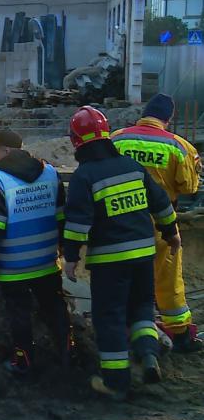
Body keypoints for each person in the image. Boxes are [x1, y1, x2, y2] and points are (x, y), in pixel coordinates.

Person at [63, 106, 181, 400]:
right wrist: (171, 232)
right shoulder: (131, 166)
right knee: (141, 308)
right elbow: (161, 204)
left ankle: (116, 382)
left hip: (109, 260)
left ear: (76, 140)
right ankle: (148, 355)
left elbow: (78, 223)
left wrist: (71, 257)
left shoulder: (84, 176)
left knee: (110, 317)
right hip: (143, 253)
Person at [0, 130, 72, 376]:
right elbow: (61, 217)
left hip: (13, 265)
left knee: (19, 314)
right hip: (47, 261)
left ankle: (24, 361)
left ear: (6, 150)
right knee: (55, 307)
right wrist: (63, 249)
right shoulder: (50, 173)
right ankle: (69, 353)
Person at [111, 93, 203, 352]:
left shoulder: (117, 138)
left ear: (144, 113)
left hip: (120, 220)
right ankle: (180, 335)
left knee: (124, 277)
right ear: (169, 118)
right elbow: (189, 187)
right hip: (161, 224)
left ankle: (128, 328)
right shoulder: (179, 146)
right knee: (168, 277)